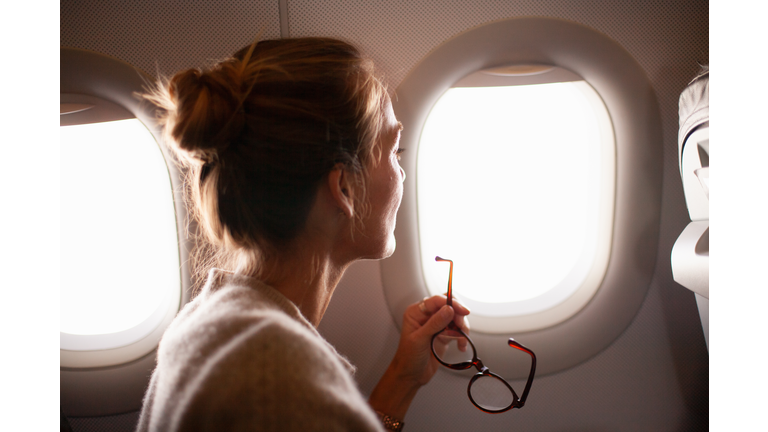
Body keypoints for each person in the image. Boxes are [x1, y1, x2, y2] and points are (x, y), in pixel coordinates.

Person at [136, 37, 470, 432]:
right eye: (393, 152)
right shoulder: (277, 376)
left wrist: (404, 377)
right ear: (344, 187)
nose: (401, 173)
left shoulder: (211, 324)